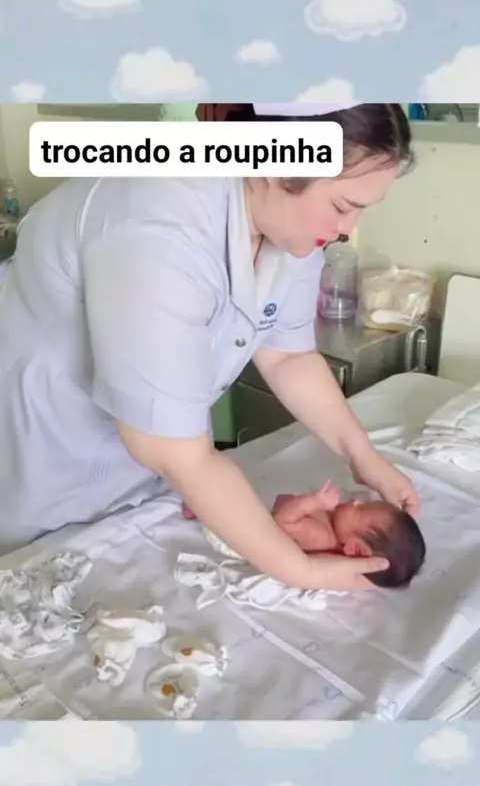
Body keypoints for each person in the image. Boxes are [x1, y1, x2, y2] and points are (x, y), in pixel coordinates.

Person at [0, 101, 419, 592]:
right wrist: (300, 569)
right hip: (41, 460)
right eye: (344, 206)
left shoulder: (288, 226)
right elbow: (172, 450)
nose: (348, 228)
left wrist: (363, 456)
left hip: (143, 469)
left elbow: (288, 355)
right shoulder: (157, 221)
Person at [271, 482, 426, 588]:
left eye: (360, 509)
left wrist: (314, 501)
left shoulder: (320, 536)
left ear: (355, 549)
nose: (357, 501)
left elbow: (282, 521)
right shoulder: (337, 528)